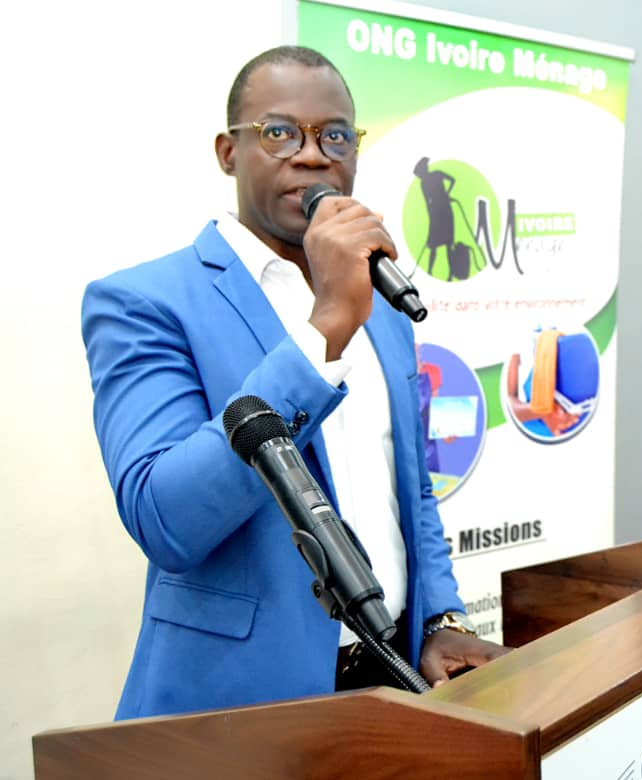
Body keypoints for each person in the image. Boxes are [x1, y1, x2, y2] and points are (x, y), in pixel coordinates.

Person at [81, 45, 508, 720]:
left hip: (393, 681)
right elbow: (165, 519)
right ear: (228, 152)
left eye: (335, 136)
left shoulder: (380, 307)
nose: (312, 156)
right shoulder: (145, 302)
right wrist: (325, 328)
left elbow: (411, 489)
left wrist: (439, 619)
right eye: (280, 133)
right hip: (239, 714)